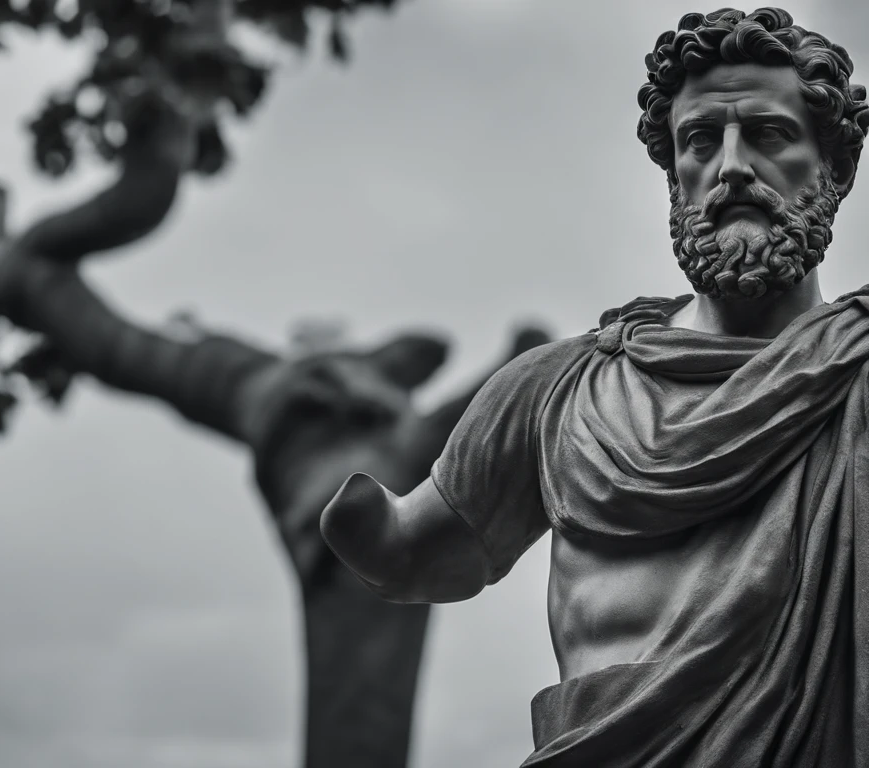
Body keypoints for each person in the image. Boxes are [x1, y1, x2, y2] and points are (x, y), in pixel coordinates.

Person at [319, 8, 869, 766]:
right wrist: (364, 517)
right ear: (674, 173)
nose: (731, 166)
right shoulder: (558, 395)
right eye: (700, 141)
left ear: (837, 167)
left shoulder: (861, 377)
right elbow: (414, 549)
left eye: (769, 135)